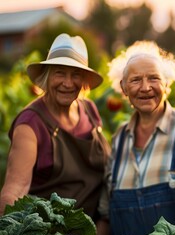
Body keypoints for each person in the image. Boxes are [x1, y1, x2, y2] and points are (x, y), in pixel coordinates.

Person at [95, 41, 175, 235]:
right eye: (135, 80)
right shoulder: (119, 140)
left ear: (167, 83)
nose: (145, 87)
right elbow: (106, 215)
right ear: (123, 87)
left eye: (154, 78)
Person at [0, 33, 110, 220]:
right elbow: (15, 189)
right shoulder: (31, 124)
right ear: (47, 76)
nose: (67, 83)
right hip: (54, 231)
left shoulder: (89, 111)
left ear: (83, 80)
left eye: (75, 74)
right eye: (60, 73)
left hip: (99, 226)